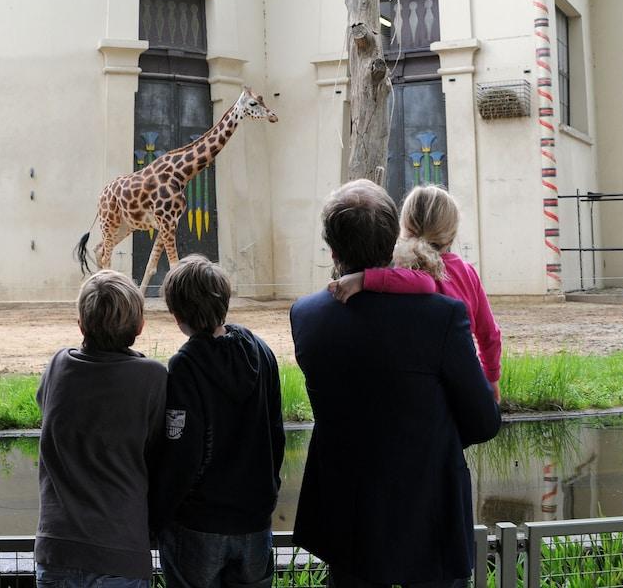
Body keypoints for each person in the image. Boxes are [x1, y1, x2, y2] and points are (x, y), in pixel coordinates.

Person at [290, 180, 501, 588]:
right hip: (430, 519)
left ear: (332, 251)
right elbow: (483, 422)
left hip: (349, 521)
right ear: (392, 243)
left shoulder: (307, 316)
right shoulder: (443, 317)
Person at [151, 255, 285, 588]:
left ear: (177, 314)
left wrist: (156, 518)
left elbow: (182, 455)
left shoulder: (185, 366)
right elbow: (276, 436)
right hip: (254, 521)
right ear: (224, 299)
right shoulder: (262, 352)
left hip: (199, 526)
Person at [35, 270, 167, 588]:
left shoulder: (58, 366)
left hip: (57, 550)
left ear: (81, 324)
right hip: (121, 551)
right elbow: (161, 449)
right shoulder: (152, 378)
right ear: (140, 327)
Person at [328, 184, 503, 402]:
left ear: (403, 227)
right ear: (452, 235)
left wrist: (364, 278)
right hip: (461, 375)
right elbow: (490, 334)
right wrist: (491, 378)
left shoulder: (401, 272)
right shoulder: (467, 273)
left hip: (419, 380)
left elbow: (424, 283)